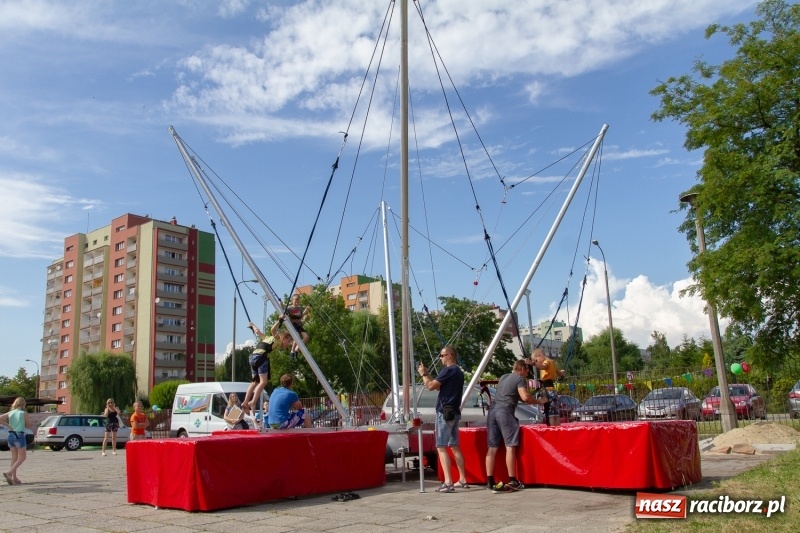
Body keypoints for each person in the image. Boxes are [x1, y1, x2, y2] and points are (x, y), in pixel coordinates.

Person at [485, 359, 544, 493]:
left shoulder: (504, 377)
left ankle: (489, 481)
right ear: (522, 369)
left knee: (492, 448)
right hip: (505, 412)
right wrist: (539, 401)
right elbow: (525, 397)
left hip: (492, 411)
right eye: (527, 371)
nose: (527, 374)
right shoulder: (519, 379)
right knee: (510, 446)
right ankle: (512, 480)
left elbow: (512, 394)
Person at [417, 345, 468, 493]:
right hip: (454, 411)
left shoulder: (448, 370)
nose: (440, 358)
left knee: (441, 447)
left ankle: (448, 482)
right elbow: (439, 386)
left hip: (444, 412)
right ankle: (462, 479)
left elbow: (431, 386)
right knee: (454, 446)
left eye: (442, 356)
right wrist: (428, 374)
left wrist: (423, 374)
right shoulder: (458, 372)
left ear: (450, 355)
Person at [241, 319, 292, 415]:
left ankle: (245, 402)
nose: (289, 344)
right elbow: (273, 330)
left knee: (255, 382)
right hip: (261, 358)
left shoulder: (266, 338)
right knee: (263, 382)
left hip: (252, 358)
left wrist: (252, 325)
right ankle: (252, 402)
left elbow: (257, 331)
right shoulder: (277, 338)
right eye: (289, 341)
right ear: (283, 338)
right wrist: (280, 320)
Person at [528, 348, 563, 426]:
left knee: (550, 412)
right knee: (555, 412)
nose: (536, 362)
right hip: (552, 389)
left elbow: (543, 367)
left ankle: (552, 429)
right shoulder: (552, 362)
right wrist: (562, 372)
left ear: (540, 355)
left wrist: (532, 363)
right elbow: (559, 373)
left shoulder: (546, 362)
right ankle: (557, 428)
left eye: (536, 360)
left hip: (548, 390)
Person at [0, 397, 30, 485]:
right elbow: (28, 425)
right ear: (23, 404)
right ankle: (9, 473)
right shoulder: (23, 413)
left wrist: (8, 426)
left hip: (10, 435)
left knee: (14, 457)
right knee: (22, 457)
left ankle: (14, 478)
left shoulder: (10, 413)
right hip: (19, 435)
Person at [285, 293, 310, 358]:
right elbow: (284, 312)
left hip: (299, 325)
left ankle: (297, 349)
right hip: (293, 325)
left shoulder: (300, 308)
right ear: (292, 301)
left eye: (298, 302)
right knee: (297, 336)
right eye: (295, 302)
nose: (296, 303)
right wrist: (281, 304)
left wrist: (306, 310)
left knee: (306, 337)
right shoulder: (289, 308)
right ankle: (292, 350)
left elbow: (301, 316)